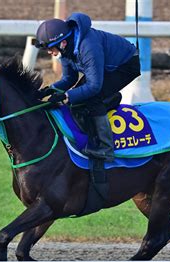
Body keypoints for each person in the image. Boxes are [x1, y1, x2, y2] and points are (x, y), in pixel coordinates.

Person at [35, 12, 141, 162]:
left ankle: (105, 149)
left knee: (92, 99)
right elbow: (69, 78)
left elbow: (93, 87)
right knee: (78, 100)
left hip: (126, 64)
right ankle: (111, 99)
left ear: (63, 43)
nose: (49, 52)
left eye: (51, 48)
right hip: (106, 66)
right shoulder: (66, 49)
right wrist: (50, 89)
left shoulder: (88, 46)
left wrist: (66, 96)